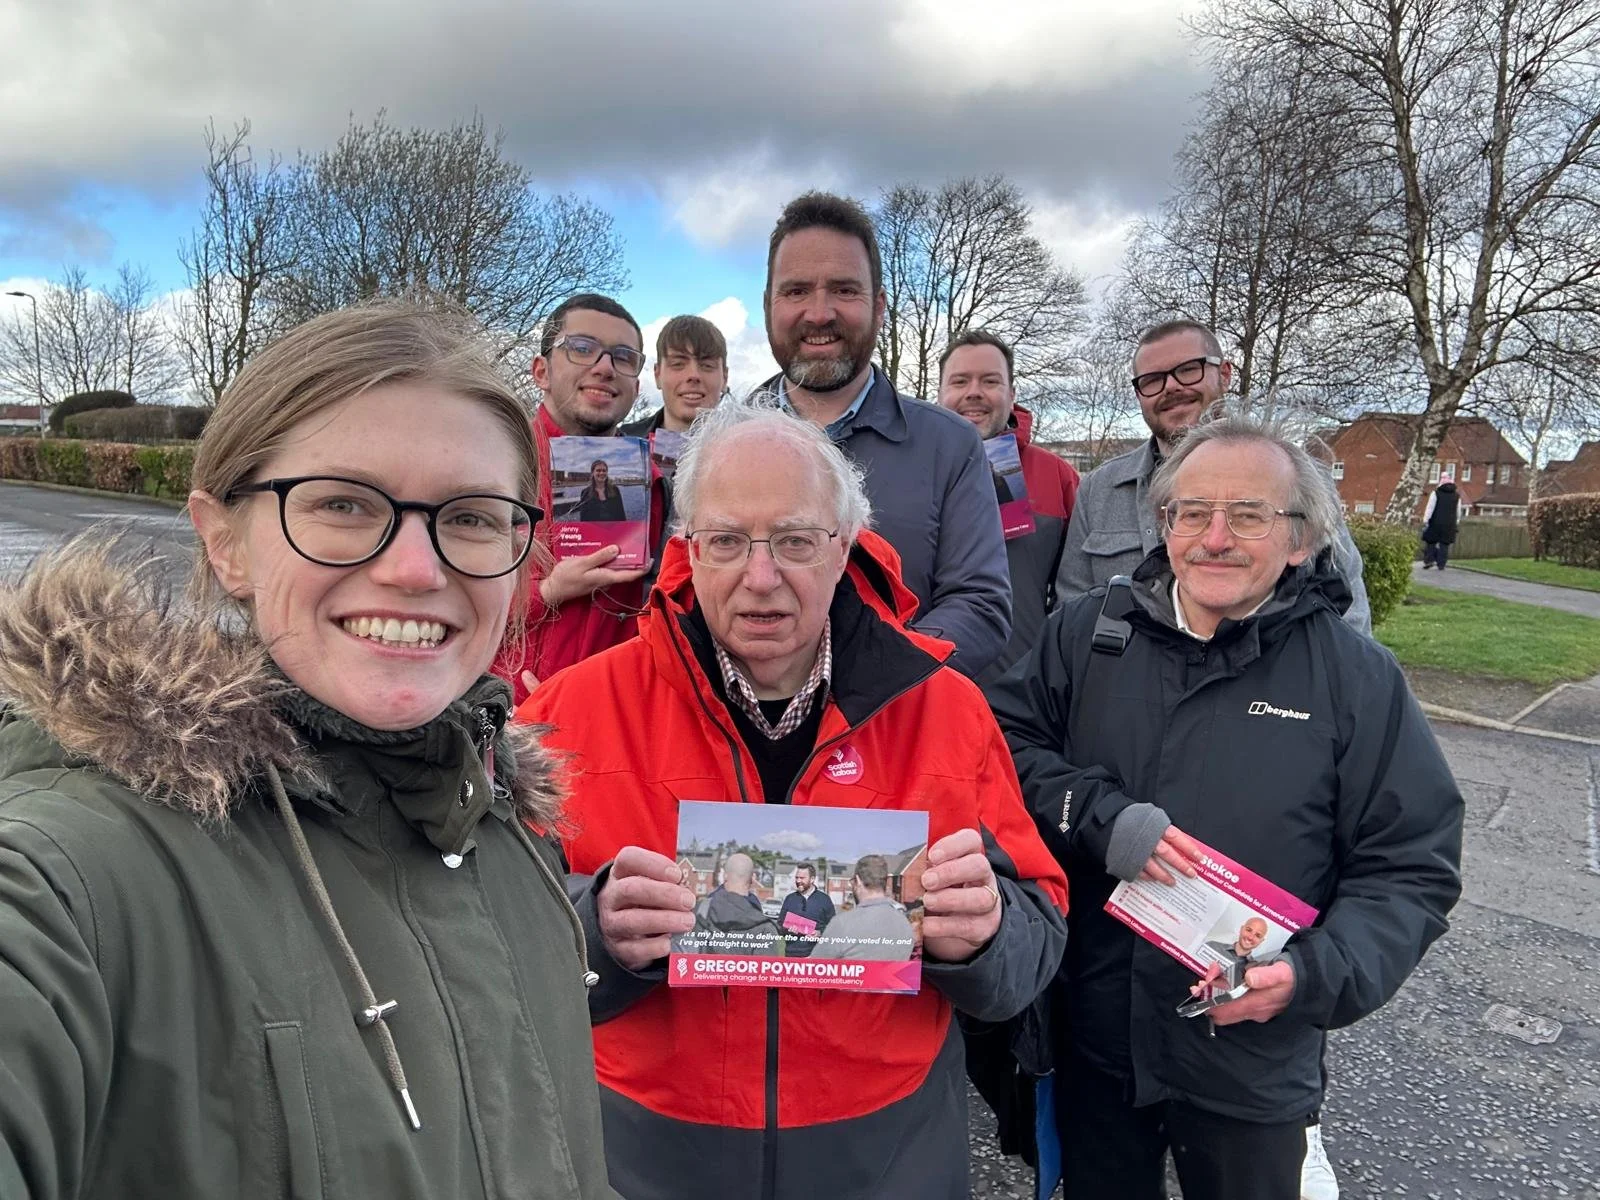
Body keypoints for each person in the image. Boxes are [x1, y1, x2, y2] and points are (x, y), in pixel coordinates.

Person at [0, 303, 612, 1199]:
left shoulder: (507, 841)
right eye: (342, 504)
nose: (415, 567)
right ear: (224, 542)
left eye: (474, 518)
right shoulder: (68, 878)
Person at [518, 398, 1068, 1199]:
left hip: (888, 1154)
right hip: (641, 1153)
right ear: (688, 549)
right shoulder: (570, 714)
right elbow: (491, 932)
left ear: (844, 549)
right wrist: (593, 931)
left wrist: (985, 938)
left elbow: (1037, 934)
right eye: (730, 541)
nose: (762, 576)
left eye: (797, 542)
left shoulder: (947, 710)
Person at [989, 411, 1464, 1200]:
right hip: (1099, 1039)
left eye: (1248, 515)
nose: (1214, 537)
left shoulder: (1356, 679)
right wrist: (1097, 815)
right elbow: (1002, 748)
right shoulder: (1087, 634)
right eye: (1191, 513)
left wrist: (1313, 974)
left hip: (1253, 1058)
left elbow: (1409, 867)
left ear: (1301, 539)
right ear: (1165, 524)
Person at [756, 191, 1012, 678]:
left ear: (878, 307)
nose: (819, 312)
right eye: (796, 291)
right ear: (769, 305)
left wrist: (876, 674)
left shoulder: (952, 445)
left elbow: (980, 605)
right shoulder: (717, 450)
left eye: (844, 290)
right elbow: (682, 596)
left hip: (901, 729)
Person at [1056, 320, 1370, 635]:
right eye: (1152, 380)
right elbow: (1071, 612)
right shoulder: (1099, 490)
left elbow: (1346, 609)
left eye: (1188, 369)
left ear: (1225, 374)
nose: (1171, 387)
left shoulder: (1298, 479)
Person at [496, 292, 669, 702]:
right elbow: (443, 594)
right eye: (582, 349)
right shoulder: (489, 465)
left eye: (623, 357)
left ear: (636, 384)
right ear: (541, 371)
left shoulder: (657, 484)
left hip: (611, 714)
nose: (604, 367)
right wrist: (548, 590)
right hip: (502, 717)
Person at [937, 328, 1081, 684]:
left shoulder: (1057, 476)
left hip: (1025, 696)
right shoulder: (909, 471)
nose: (974, 392)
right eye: (959, 381)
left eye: (989, 381)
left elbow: (1078, 594)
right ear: (939, 393)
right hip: (927, 688)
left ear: (1011, 393)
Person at [621, 313, 729, 437]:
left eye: (707, 365)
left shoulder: (752, 447)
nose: (693, 375)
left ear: (725, 377)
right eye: (678, 364)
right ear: (657, 374)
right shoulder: (620, 443)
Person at [818, 855, 916, 961]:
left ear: (858, 881)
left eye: (852, 881)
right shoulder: (905, 923)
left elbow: (815, 967)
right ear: (885, 881)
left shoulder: (842, 923)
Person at [696, 853, 784, 955]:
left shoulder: (700, 912)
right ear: (752, 878)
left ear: (725, 875)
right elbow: (765, 968)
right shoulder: (765, 928)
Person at [778, 861, 835, 957]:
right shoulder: (790, 899)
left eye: (802, 878)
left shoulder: (824, 899)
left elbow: (833, 927)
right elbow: (779, 925)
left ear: (812, 879)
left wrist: (820, 933)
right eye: (797, 878)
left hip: (816, 955)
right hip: (792, 954)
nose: (798, 881)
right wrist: (787, 930)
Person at [1421, 473, 1460, 569]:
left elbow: (1430, 508)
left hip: (1435, 522)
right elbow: (1458, 510)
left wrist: (1426, 519)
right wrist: (1457, 521)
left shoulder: (1436, 493)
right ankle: (1441, 564)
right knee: (1444, 544)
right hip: (1449, 523)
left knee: (1431, 542)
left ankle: (1429, 560)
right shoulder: (1456, 496)